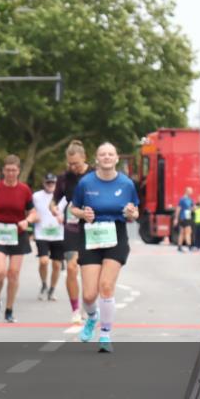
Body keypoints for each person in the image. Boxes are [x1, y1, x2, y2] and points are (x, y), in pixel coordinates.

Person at [70, 142, 139, 352]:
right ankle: (92, 317)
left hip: (116, 235)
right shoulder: (86, 182)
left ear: (116, 158)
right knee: (89, 295)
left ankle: (105, 335)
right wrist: (83, 214)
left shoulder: (126, 184)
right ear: (97, 159)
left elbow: (135, 212)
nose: (107, 157)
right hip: (91, 236)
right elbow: (73, 208)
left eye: (111, 154)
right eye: (103, 154)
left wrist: (131, 213)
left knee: (106, 286)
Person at [0, 155, 37, 323]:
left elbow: (33, 212)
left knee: (13, 273)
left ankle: (9, 309)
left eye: (14, 170)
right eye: (8, 170)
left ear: (18, 171)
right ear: (3, 171)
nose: (11, 173)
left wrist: (27, 221)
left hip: (17, 234)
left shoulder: (24, 190)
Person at [51, 139, 92, 324]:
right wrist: (53, 208)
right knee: (71, 267)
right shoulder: (64, 178)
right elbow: (54, 200)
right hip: (72, 227)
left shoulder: (94, 174)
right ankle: (75, 309)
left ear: (84, 157)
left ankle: (88, 305)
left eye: (76, 163)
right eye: (70, 163)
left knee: (88, 270)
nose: (73, 167)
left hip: (92, 227)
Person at [33, 173, 64, 301]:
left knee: (56, 265)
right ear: (44, 183)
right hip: (41, 233)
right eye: (48, 182)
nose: (50, 185)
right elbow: (29, 210)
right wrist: (33, 216)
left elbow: (70, 210)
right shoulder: (36, 196)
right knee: (44, 261)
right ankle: (44, 284)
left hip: (59, 235)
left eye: (53, 183)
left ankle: (52, 289)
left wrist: (64, 218)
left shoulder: (62, 196)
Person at [174, 187, 195, 252]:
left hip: (187, 216)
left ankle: (179, 247)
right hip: (184, 217)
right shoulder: (183, 199)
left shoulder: (190, 199)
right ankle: (189, 246)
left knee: (183, 232)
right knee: (187, 232)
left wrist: (193, 208)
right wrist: (176, 218)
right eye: (190, 191)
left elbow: (192, 208)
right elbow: (178, 209)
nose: (191, 192)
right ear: (187, 191)